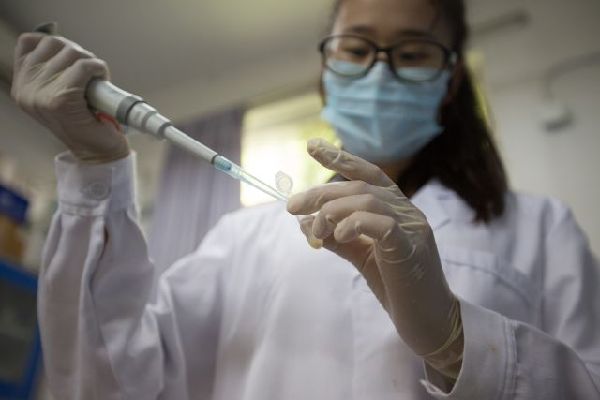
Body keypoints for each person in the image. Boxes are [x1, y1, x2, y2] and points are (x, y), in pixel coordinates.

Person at [10, 0, 600, 398]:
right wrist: (97, 166)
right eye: (357, 49)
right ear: (326, 71)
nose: (380, 73)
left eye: (413, 53)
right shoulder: (245, 236)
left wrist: (457, 342)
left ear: (450, 81)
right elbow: (105, 383)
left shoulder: (541, 227)